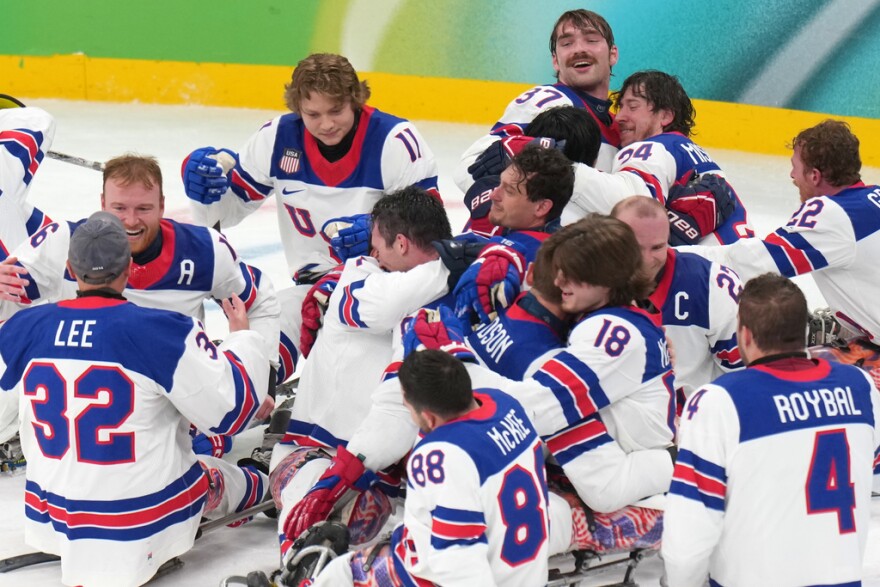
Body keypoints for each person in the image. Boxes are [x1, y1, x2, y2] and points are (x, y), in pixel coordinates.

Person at [0, 211, 270, 587]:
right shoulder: (160, 330)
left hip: (54, 515)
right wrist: (243, 337)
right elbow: (232, 412)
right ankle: (264, 486)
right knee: (213, 468)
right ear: (129, 266)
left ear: (69, 267)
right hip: (139, 522)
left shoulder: (22, 328)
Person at [409, 215, 675, 556]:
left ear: (608, 280)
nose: (561, 281)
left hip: (631, 456)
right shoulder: (600, 311)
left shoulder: (613, 335)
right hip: (617, 435)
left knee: (600, 487)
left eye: (574, 275)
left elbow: (535, 409)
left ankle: (677, 464)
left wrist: (457, 361)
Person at [182, 53, 440, 384]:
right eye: (312, 114)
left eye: (336, 111)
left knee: (365, 379)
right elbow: (227, 213)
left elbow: (433, 235)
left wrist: (381, 232)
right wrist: (207, 190)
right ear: (297, 109)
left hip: (385, 290)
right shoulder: (276, 139)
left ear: (355, 100)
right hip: (311, 290)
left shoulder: (395, 141)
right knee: (259, 349)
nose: (326, 124)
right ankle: (238, 408)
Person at [0, 154, 279, 453]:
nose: (131, 221)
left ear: (161, 205)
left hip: (175, 394)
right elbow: (10, 301)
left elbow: (259, 299)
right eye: (120, 208)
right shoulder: (64, 241)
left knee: (201, 448)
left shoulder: (204, 250)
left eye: (143, 208)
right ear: (103, 203)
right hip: (86, 397)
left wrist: (261, 374)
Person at [663, 273, 880, 586]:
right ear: (805, 330)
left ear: (746, 335)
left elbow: (689, 535)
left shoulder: (719, 401)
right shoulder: (861, 387)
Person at [271, 188, 456, 554]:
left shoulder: (445, 290)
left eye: (376, 244)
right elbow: (390, 302)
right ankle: (298, 562)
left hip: (384, 474)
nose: (370, 253)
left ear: (400, 244)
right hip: (315, 454)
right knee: (308, 500)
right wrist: (457, 260)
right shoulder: (358, 278)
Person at [308, 350, 550, 587]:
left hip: (466, 575)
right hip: (525, 568)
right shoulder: (506, 404)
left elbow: (457, 558)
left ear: (429, 417)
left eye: (408, 407)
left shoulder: (441, 456)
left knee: (340, 575)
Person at [682, 119, 880, 344]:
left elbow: (752, 262)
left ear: (814, 176)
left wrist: (672, 257)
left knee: (780, 363)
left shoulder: (832, 215)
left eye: (795, 166)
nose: (791, 175)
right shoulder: (874, 195)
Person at [563, 70, 752, 245]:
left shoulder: (652, 148)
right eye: (620, 107)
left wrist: (560, 169)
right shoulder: (689, 151)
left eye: (632, 107)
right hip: (731, 269)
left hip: (698, 270)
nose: (619, 117)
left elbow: (631, 207)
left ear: (665, 116)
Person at [455, 8, 621, 197]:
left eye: (591, 40)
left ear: (613, 54)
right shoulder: (548, 101)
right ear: (555, 61)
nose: (579, 49)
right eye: (567, 43)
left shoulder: (622, 126)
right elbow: (469, 168)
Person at [612, 195, 743, 399]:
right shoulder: (584, 280)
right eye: (636, 247)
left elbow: (740, 376)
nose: (646, 260)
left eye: (657, 247)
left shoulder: (711, 285)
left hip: (693, 420)